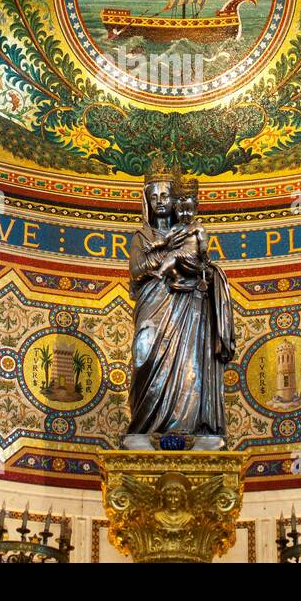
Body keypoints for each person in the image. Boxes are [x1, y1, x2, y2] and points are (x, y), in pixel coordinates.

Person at [123, 172, 235, 450]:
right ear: (147, 202)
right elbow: (138, 269)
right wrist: (170, 253)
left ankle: (191, 427)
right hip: (153, 304)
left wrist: (203, 272)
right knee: (145, 357)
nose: (161, 202)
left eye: (165, 196)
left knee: (190, 364)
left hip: (189, 308)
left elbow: (204, 266)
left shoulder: (191, 232)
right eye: (154, 197)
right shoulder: (142, 236)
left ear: (175, 200)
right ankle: (143, 427)